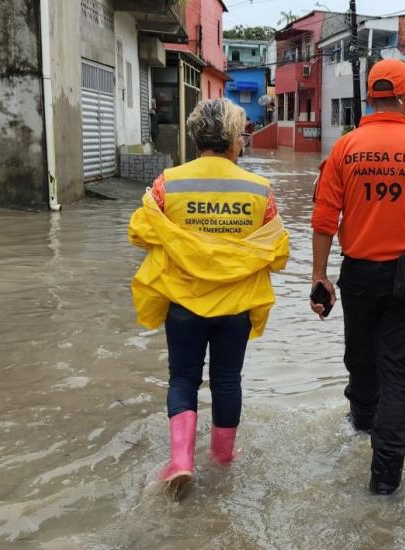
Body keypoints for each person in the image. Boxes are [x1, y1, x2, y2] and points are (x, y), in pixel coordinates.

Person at [310, 59, 405, 495]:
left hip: (357, 275)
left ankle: (360, 427)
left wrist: (320, 277)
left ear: (371, 99)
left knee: (360, 360)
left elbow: (324, 219)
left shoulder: (345, 148)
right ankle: (385, 479)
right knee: (398, 374)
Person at [128, 98, 290, 496]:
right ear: (234, 140)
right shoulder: (260, 191)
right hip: (234, 309)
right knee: (227, 381)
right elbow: (278, 250)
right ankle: (222, 460)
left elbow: (139, 231)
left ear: (196, 137)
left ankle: (181, 461)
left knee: (182, 379)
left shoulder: (169, 183)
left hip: (183, 304)